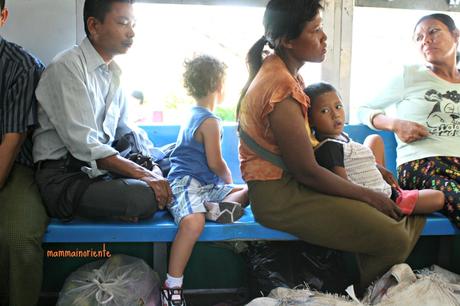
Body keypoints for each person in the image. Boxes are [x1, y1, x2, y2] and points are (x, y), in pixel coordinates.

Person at [237, 0, 426, 293]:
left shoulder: (288, 76)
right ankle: (366, 294)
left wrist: (371, 171)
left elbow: (311, 150)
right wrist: (369, 197)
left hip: (294, 186)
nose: (324, 37)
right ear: (288, 41)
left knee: (397, 218)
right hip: (280, 197)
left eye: (322, 27)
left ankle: (364, 289)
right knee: (396, 236)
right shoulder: (280, 88)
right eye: (315, 30)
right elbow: (307, 172)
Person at [33, 0, 172, 222]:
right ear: (94, 26)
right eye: (123, 23)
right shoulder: (67, 67)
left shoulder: (112, 73)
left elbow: (125, 130)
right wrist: (147, 175)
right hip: (66, 176)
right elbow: (86, 146)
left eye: (133, 24)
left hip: (97, 172)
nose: (131, 33)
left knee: (172, 164)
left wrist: (152, 166)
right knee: (141, 197)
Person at [358, 13, 460, 227]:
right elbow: (364, 109)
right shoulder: (409, 76)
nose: (426, 40)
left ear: (456, 35)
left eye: (433, 31)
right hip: (423, 165)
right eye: (419, 37)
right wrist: (395, 124)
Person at [162, 55, 249, 306]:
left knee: (249, 189)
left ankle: (215, 209)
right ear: (218, 86)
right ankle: (172, 286)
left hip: (206, 186)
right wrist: (229, 177)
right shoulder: (209, 121)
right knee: (192, 223)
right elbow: (215, 162)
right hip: (187, 183)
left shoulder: (194, 113)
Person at [305, 82, 444, 215]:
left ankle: (386, 186)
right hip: (381, 199)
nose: (335, 114)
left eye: (338, 106)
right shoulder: (329, 147)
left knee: (374, 139)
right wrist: (380, 200)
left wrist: (378, 167)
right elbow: (344, 187)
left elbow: (354, 161)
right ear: (310, 120)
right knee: (438, 197)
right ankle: (395, 207)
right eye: (325, 111)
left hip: (376, 185)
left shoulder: (341, 137)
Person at [0, 1, 49, 305]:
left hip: (16, 166)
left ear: (2, 17)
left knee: (17, 237)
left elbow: (12, 141)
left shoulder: (21, 66)